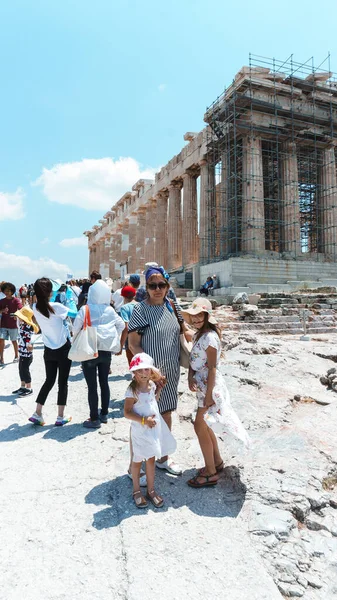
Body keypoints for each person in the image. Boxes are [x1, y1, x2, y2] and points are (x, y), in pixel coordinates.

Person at [181, 297, 250, 488]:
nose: (195, 320)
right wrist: (190, 376)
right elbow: (194, 358)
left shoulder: (210, 337)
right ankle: (217, 462)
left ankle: (211, 472)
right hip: (202, 386)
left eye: (199, 316)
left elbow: (212, 368)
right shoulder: (198, 335)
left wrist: (209, 394)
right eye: (193, 316)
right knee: (206, 426)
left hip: (209, 388)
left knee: (199, 426)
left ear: (206, 316)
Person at [128, 265, 191, 475]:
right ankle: (137, 466)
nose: (157, 289)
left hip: (171, 372)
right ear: (146, 287)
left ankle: (163, 457)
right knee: (143, 419)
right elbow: (133, 343)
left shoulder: (173, 306)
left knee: (166, 411)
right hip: (148, 376)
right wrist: (148, 369)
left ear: (167, 286)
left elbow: (184, 331)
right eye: (152, 285)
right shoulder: (140, 310)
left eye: (161, 285)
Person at [124, 352, 176, 508]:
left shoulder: (152, 386)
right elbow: (127, 412)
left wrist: (159, 389)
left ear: (151, 371)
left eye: (146, 369)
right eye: (139, 370)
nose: (143, 373)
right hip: (140, 431)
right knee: (137, 459)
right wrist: (143, 420)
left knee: (151, 458)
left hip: (152, 429)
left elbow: (153, 401)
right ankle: (136, 490)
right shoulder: (132, 391)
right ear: (134, 372)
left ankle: (151, 490)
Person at [73, 279, 125, 429]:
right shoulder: (110, 309)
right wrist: (117, 342)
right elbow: (121, 325)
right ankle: (104, 414)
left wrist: (74, 341)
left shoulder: (85, 309)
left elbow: (76, 328)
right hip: (106, 351)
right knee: (104, 382)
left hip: (89, 350)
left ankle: (94, 418)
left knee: (92, 386)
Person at [29, 277, 72, 426]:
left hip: (49, 349)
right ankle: (60, 416)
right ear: (49, 291)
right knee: (62, 382)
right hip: (63, 348)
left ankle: (38, 412)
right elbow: (74, 313)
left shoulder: (35, 307)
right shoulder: (56, 307)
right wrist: (70, 299)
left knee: (49, 380)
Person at [12, 306, 39, 396]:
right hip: (22, 352)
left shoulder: (29, 327)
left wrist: (30, 344)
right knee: (21, 369)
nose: (18, 318)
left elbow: (30, 337)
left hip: (27, 353)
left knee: (25, 369)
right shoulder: (22, 325)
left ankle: (29, 388)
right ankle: (23, 386)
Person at [0, 282, 22, 365]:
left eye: (9, 290)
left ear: (12, 291)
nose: (7, 292)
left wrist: (17, 314)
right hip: (3, 324)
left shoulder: (16, 300)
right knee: (1, 340)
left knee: (14, 341)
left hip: (13, 325)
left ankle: (16, 356)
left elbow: (20, 308)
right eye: (5, 290)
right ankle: (1, 358)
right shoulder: (1, 301)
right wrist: (2, 311)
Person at [119, 285, 137, 365]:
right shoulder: (142, 305)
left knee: (133, 363)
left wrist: (120, 345)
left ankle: (135, 376)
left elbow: (126, 327)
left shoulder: (124, 308)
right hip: (144, 337)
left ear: (123, 297)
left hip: (130, 339)